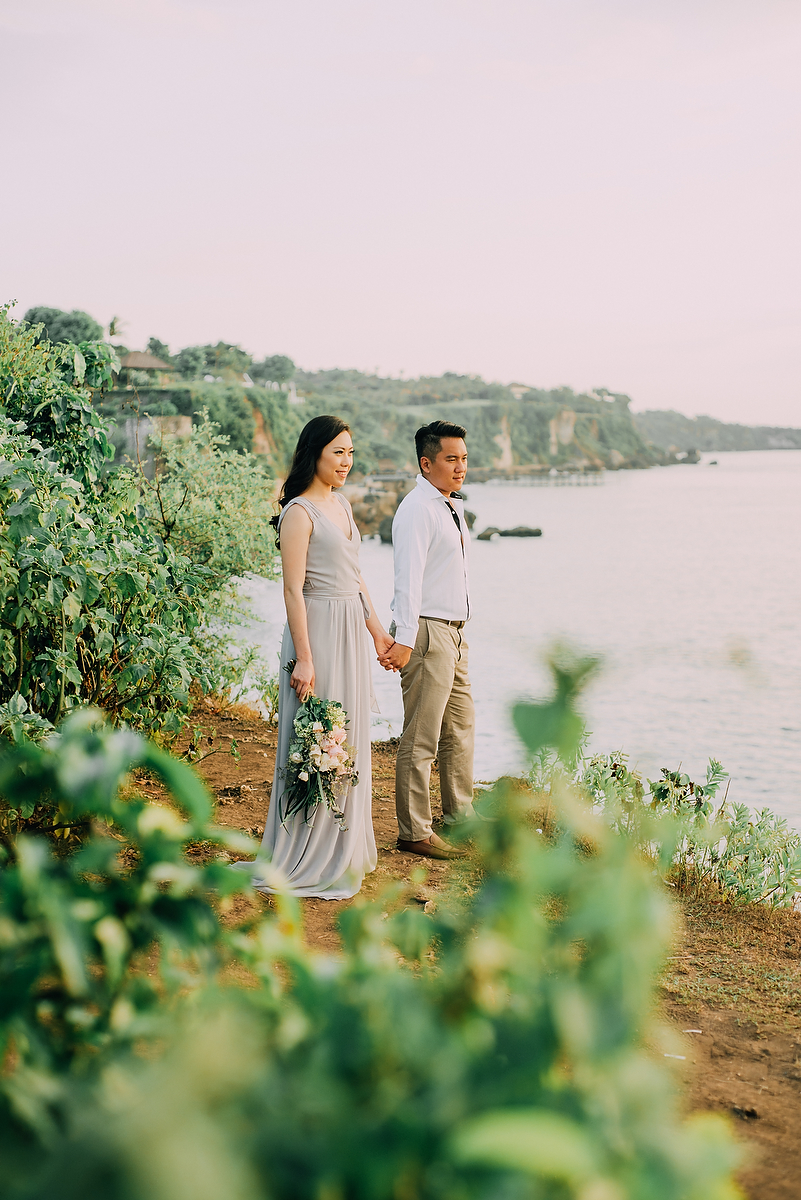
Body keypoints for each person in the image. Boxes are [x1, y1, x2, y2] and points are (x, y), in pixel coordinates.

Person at [242, 415, 394, 898]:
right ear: (316, 454)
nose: (347, 462)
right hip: (317, 631)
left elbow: (356, 577)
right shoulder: (299, 514)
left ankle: (345, 845)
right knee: (317, 736)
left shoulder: (343, 505)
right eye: (338, 453)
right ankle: (308, 849)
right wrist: (304, 658)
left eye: (351, 452)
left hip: (350, 627)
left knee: (347, 734)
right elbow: (292, 590)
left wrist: (377, 631)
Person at [379, 420, 475, 860]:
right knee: (421, 737)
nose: (460, 467)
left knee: (459, 728)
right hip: (428, 631)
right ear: (426, 462)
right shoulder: (417, 509)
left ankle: (459, 815)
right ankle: (413, 830)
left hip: (455, 633)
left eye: (464, 458)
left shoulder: (448, 506)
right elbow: (407, 579)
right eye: (451, 459)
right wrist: (403, 637)